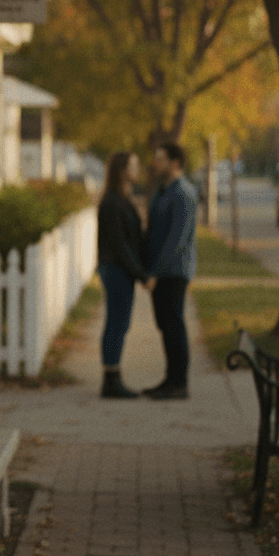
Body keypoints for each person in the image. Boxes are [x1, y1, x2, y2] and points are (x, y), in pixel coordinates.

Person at [143, 141, 199, 400]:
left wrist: (155, 271)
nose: (156, 163)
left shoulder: (184, 193)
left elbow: (177, 240)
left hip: (174, 272)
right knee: (165, 325)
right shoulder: (162, 191)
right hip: (159, 270)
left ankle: (180, 384)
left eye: (161, 159)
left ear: (175, 163)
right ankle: (169, 380)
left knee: (174, 325)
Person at [97, 152, 154, 398]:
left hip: (120, 271)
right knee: (116, 324)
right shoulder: (112, 202)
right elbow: (121, 245)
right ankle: (111, 381)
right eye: (134, 165)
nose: (138, 168)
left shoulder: (122, 199)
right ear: (122, 170)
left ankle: (114, 377)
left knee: (120, 323)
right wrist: (142, 275)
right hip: (116, 270)